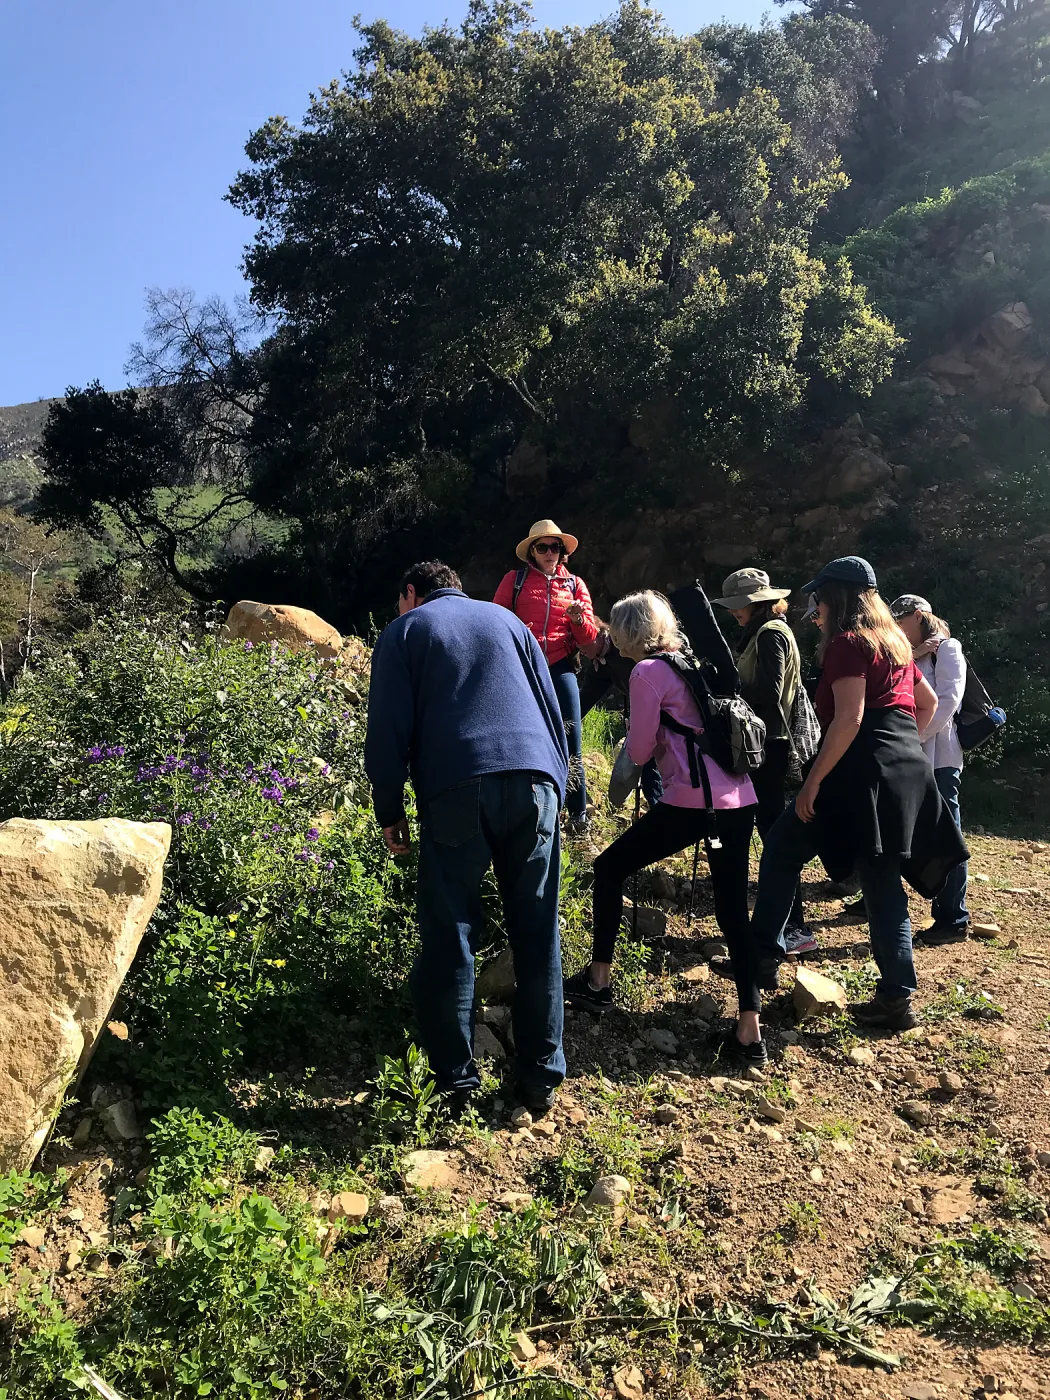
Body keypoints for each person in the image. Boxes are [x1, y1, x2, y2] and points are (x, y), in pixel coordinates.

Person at [735, 557, 968, 1062]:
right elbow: (926, 708)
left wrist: (812, 782)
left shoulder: (847, 644)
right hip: (907, 770)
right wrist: (903, 746)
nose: (814, 608)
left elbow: (850, 718)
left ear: (836, 598)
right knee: (882, 881)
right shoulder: (897, 645)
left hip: (857, 774)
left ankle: (761, 961)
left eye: (819, 599)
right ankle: (895, 997)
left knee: (780, 846)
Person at [365, 560, 570, 1114]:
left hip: (457, 787)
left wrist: (391, 809)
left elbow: (387, 731)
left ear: (411, 593)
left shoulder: (405, 631)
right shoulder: (508, 623)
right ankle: (540, 1076)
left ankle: (454, 1082)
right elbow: (553, 713)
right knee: (536, 928)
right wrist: (560, 790)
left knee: (451, 929)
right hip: (535, 784)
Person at [563, 590, 759, 1031]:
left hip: (692, 801)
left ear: (630, 632)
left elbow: (639, 748)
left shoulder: (646, 672)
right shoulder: (689, 660)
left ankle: (598, 982)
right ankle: (750, 1029)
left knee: (609, 869)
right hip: (739, 796)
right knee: (732, 911)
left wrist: (631, 749)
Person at [713, 567, 815, 956]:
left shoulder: (770, 633)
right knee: (774, 836)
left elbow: (769, 692)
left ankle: (795, 928)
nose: (735, 613)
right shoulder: (768, 629)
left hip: (769, 748)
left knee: (776, 839)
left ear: (755, 604)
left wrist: (727, 693)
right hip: (766, 745)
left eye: (738, 606)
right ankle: (788, 925)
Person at [494, 520, 598, 835]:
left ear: (563, 552)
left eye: (555, 547)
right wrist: (516, 631)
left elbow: (588, 639)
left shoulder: (575, 586)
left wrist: (579, 621)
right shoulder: (515, 580)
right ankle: (528, 805)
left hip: (560, 665)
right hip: (522, 665)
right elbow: (496, 620)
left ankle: (579, 815)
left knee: (572, 739)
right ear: (533, 552)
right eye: (543, 547)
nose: (550, 553)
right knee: (523, 735)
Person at [891, 594, 969, 942]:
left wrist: (917, 736)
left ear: (920, 616)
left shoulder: (947, 648)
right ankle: (881, 898)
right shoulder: (906, 653)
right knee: (896, 824)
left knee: (947, 831)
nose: (897, 626)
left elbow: (950, 699)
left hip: (939, 757)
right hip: (910, 754)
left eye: (902, 619)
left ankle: (953, 916)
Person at [578, 619, 664, 809]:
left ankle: (664, 819)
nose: (580, 647)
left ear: (600, 635)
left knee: (653, 769)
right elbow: (586, 698)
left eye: (584, 641)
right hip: (642, 714)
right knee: (649, 770)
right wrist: (565, 719)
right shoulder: (599, 662)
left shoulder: (624, 648)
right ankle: (661, 817)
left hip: (660, 711)